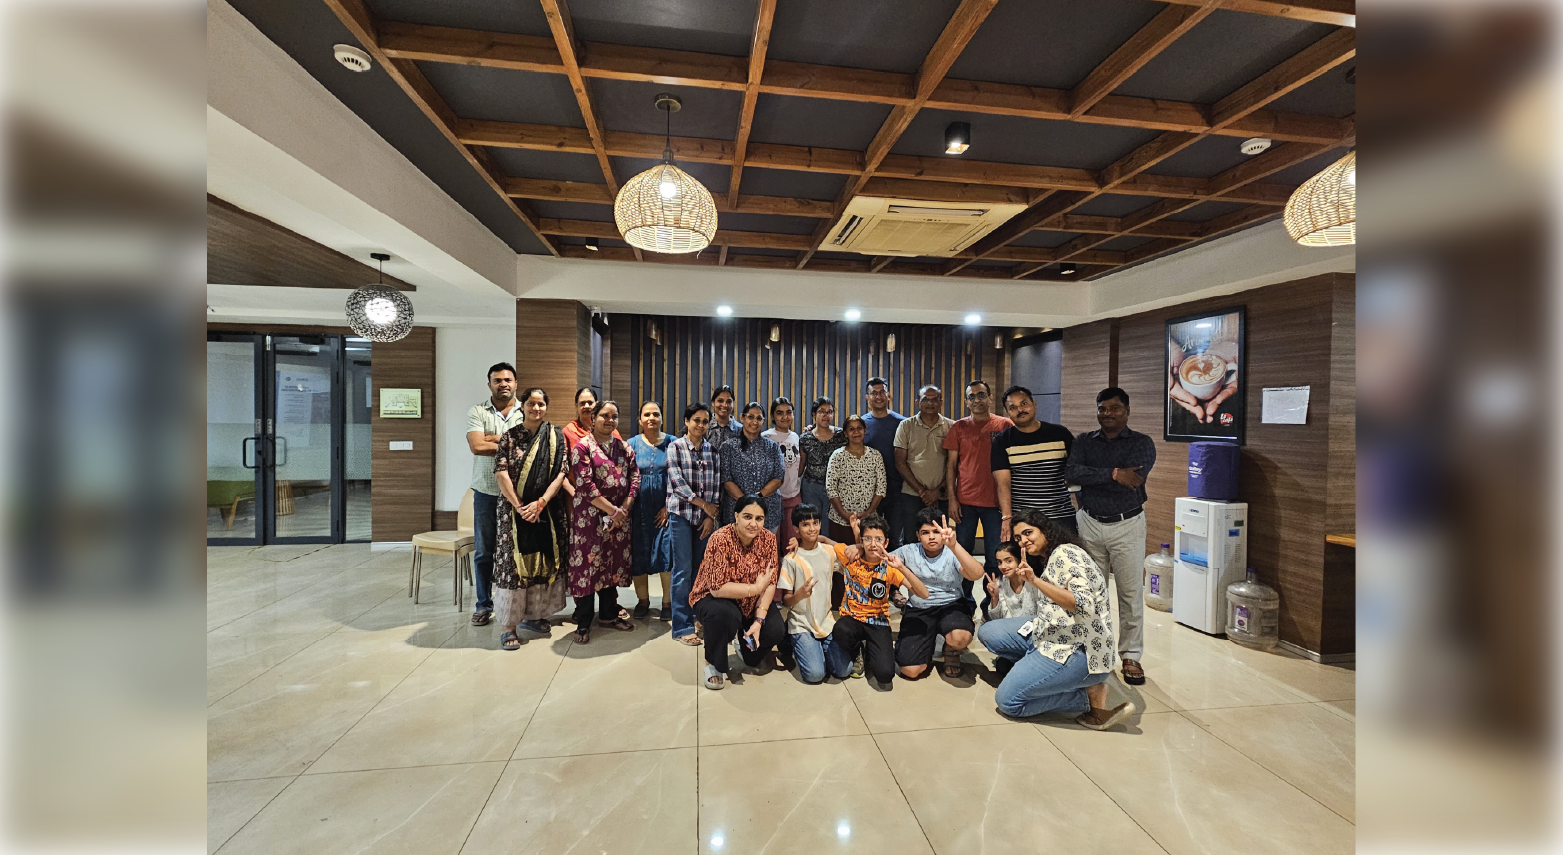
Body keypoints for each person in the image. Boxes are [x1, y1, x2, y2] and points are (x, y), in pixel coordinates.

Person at [975, 511, 1134, 730]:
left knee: (1008, 701)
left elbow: (1083, 604)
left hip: (1076, 649)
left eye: (1028, 533)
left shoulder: (1065, 553)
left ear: (1045, 530)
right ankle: (1043, 673)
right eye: (1018, 538)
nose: (1023, 541)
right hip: (1049, 631)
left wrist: (1034, 581)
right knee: (989, 631)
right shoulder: (1052, 555)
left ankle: (1088, 695)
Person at [1065, 387, 1157, 687]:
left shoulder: (1141, 443)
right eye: (1102, 409)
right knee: (1092, 591)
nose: (1107, 414)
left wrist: (1097, 475)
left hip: (1127, 524)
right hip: (1089, 522)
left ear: (1127, 411)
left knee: (1130, 593)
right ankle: (1096, 647)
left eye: (1114, 408)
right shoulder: (1083, 441)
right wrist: (1115, 474)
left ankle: (1130, 654)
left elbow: (1135, 480)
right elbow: (1072, 473)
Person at [492, 388, 570, 651]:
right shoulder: (510, 437)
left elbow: (561, 472)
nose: (536, 408)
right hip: (513, 511)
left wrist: (540, 503)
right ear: (522, 406)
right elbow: (501, 472)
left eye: (541, 404)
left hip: (546, 509)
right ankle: (509, 626)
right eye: (531, 403)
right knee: (513, 566)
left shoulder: (555, 436)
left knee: (542, 560)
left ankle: (535, 615)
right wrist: (520, 506)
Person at [690, 495, 789, 690]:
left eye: (759, 518)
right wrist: (755, 588)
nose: (753, 524)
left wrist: (759, 621)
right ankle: (713, 663)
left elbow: (770, 582)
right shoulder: (720, 538)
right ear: (736, 516)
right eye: (747, 517)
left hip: (751, 602)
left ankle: (745, 647)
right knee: (724, 615)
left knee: (775, 630)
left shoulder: (768, 539)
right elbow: (717, 589)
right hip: (713, 598)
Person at [566, 400, 639, 644]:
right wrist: (613, 511)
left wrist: (623, 509)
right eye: (604, 416)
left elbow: (635, 477)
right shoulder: (583, 447)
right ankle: (583, 622)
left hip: (619, 521)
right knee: (588, 569)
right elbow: (585, 484)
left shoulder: (624, 447)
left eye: (614, 416)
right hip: (590, 521)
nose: (610, 420)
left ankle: (608, 615)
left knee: (611, 565)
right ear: (593, 418)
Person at [829, 513, 929, 687]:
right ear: (862, 541)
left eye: (878, 539)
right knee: (840, 629)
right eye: (868, 539)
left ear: (886, 543)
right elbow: (824, 541)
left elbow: (924, 594)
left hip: (878, 621)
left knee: (885, 675)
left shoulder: (890, 567)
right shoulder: (851, 557)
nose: (873, 544)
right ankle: (857, 650)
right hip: (852, 618)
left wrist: (901, 567)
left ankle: (872, 650)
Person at [463, 362, 528, 627]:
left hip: (519, 493)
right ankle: (483, 605)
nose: (503, 384)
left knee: (519, 551)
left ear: (516, 383)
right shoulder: (478, 411)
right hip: (486, 492)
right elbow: (477, 447)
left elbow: (530, 447)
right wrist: (509, 442)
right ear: (489, 384)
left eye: (508, 380)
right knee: (484, 552)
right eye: (498, 380)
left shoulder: (526, 411)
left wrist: (493, 438)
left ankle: (520, 607)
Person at [943, 379, 1013, 617]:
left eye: (981, 395)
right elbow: (951, 466)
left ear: (990, 398)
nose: (977, 400)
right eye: (971, 396)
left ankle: (990, 606)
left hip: (995, 505)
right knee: (963, 556)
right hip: (965, 503)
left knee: (995, 557)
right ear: (966, 402)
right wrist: (952, 499)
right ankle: (964, 605)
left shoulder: (1004, 425)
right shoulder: (959, 427)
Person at [892, 507, 985, 680]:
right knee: (910, 670)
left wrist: (954, 546)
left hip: (951, 604)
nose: (932, 537)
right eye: (925, 532)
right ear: (918, 535)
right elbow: (878, 560)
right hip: (919, 607)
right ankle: (927, 641)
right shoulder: (908, 551)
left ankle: (951, 649)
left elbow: (977, 574)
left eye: (936, 531)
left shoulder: (952, 550)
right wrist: (859, 546)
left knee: (960, 637)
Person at [665, 403, 722, 647]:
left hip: (704, 519)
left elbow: (716, 486)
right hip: (681, 515)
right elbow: (677, 483)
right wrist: (704, 505)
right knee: (683, 570)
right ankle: (682, 625)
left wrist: (710, 516)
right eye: (696, 420)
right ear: (687, 421)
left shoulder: (712, 451)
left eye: (705, 421)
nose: (700, 425)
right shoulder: (675, 447)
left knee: (702, 570)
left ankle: (699, 615)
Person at [776, 503, 851, 684]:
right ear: (796, 528)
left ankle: (818, 648)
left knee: (844, 670)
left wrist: (824, 539)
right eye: (805, 524)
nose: (812, 528)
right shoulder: (791, 559)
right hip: (801, 623)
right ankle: (792, 641)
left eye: (815, 523)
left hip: (826, 621)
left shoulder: (828, 552)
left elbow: (849, 554)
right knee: (815, 674)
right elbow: (786, 601)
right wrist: (799, 595)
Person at [992, 385, 1077, 542]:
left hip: (1060, 516)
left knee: (1064, 557)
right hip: (1024, 520)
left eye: (1024, 403)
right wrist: (1006, 517)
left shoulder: (1060, 434)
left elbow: (1076, 473)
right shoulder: (1002, 441)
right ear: (1007, 413)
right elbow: (1003, 484)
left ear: (1034, 404)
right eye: (1013, 407)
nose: (1020, 410)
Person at [825, 415, 884, 608]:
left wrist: (869, 512)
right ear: (845, 433)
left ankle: (865, 601)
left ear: (865, 430)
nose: (856, 432)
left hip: (869, 521)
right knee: (842, 561)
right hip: (840, 519)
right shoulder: (838, 456)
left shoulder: (875, 455)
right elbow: (831, 488)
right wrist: (844, 514)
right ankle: (840, 601)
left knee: (868, 560)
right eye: (851, 429)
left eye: (859, 428)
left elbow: (881, 487)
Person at [626, 401, 674, 621]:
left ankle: (667, 602)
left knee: (666, 554)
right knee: (638, 555)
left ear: (662, 418)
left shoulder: (672, 443)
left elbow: (678, 477)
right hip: (637, 510)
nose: (651, 418)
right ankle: (643, 601)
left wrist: (668, 505)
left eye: (656, 414)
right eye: (646, 414)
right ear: (640, 420)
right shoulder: (632, 444)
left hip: (664, 510)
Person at [892, 384, 953, 547]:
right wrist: (922, 492)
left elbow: (955, 464)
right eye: (926, 399)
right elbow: (900, 461)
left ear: (941, 403)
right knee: (911, 539)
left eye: (935, 399)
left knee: (939, 539)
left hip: (942, 496)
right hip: (911, 495)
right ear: (917, 403)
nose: (930, 403)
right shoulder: (906, 426)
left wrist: (937, 491)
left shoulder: (951, 427)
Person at [719, 401, 785, 532]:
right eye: (750, 417)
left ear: (763, 421)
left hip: (768, 512)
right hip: (736, 511)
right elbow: (726, 479)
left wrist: (757, 498)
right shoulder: (728, 447)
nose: (755, 422)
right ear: (742, 417)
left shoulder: (772, 447)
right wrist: (746, 503)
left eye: (759, 418)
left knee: (765, 545)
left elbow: (779, 477)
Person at [859, 377, 906, 547]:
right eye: (874, 393)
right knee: (871, 537)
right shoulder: (861, 424)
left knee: (894, 539)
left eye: (882, 392)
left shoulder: (902, 423)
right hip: (869, 491)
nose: (878, 396)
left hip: (896, 489)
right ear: (867, 397)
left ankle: (892, 565)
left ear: (889, 395)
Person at [762, 397, 804, 557]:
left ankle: (790, 573)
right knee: (771, 543)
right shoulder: (766, 436)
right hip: (771, 497)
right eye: (780, 413)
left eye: (788, 412)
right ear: (773, 416)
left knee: (792, 543)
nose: (785, 417)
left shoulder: (796, 437)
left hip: (793, 495)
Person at [797, 396, 845, 528]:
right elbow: (801, 465)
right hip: (811, 487)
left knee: (830, 525)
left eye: (829, 412)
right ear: (814, 414)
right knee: (812, 523)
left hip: (835, 487)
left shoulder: (841, 435)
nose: (826, 415)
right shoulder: (805, 438)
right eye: (821, 411)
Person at [707, 384, 743, 449]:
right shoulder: (704, 427)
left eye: (729, 401)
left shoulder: (741, 430)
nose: (725, 405)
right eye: (720, 401)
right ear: (713, 403)